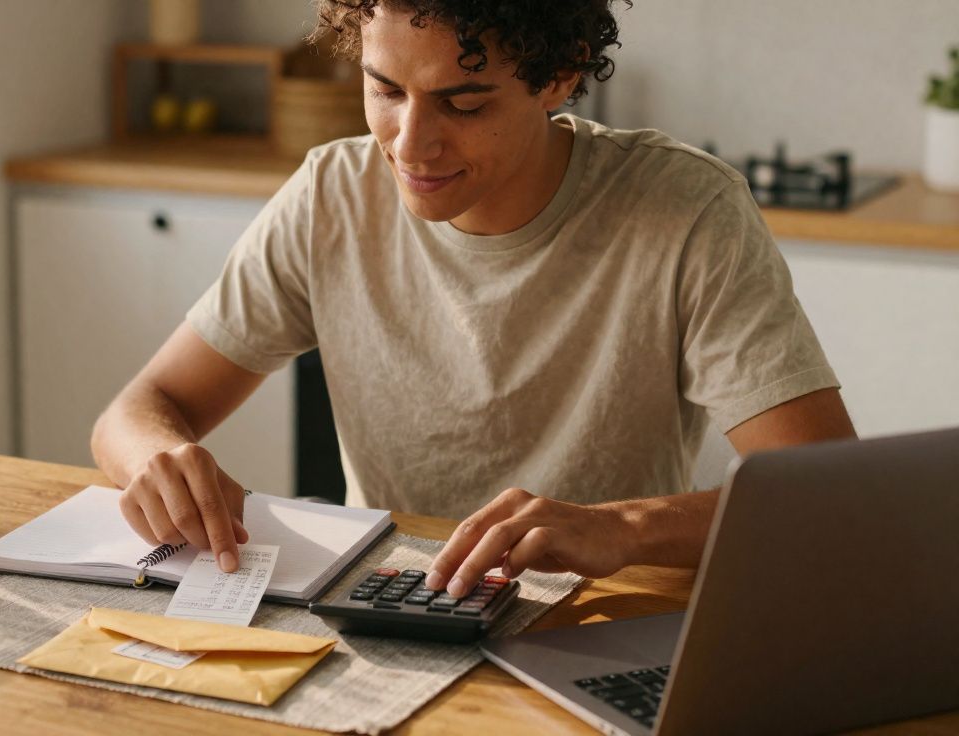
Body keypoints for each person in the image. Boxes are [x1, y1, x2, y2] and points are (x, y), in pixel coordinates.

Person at [90, 0, 856, 599]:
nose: (410, 144)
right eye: (385, 89)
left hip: (607, 617)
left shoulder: (687, 210)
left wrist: (620, 527)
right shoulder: (331, 195)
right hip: (392, 608)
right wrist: (159, 456)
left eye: (464, 104)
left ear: (561, 75)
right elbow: (135, 410)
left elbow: (826, 498)